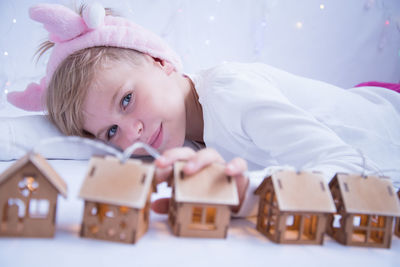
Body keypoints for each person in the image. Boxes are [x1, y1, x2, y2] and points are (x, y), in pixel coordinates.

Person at [8, 3, 400, 217]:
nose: (132, 136)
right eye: (110, 132)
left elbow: (353, 168)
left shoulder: (230, 94)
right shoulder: (185, 139)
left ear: (160, 61)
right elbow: (42, 136)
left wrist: (251, 192)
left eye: (126, 100)